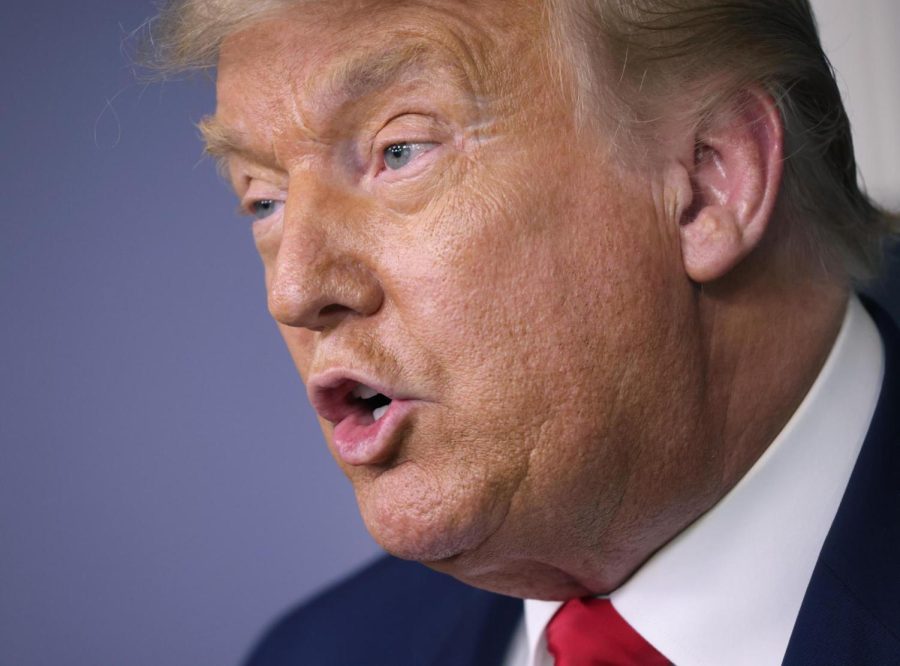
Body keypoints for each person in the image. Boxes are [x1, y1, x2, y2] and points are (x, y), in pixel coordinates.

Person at [147, 0, 899, 663]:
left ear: (708, 181)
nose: (296, 290)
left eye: (398, 151)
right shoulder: (318, 653)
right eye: (263, 200)